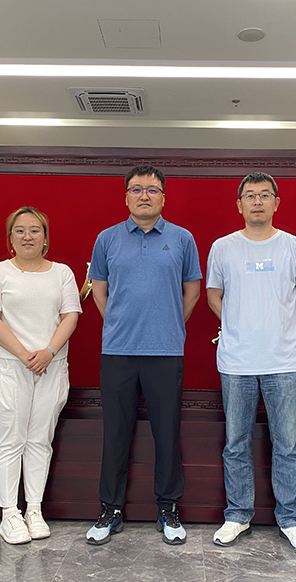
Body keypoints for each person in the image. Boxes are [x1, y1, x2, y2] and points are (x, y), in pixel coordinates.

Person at [85, 164, 202, 546]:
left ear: (163, 197)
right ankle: (110, 509)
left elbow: (192, 291)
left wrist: (169, 323)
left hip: (165, 351)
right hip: (117, 351)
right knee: (115, 433)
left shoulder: (182, 238)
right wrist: (119, 323)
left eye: (152, 190)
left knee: (167, 432)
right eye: (136, 189)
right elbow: (99, 290)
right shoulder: (106, 239)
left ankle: (168, 507)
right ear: (126, 197)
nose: (144, 196)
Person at [206, 172, 296, 553]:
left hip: (284, 360)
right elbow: (214, 296)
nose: (257, 201)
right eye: (250, 196)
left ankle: (291, 519)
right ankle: (238, 514)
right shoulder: (223, 247)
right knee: (236, 444)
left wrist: (277, 326)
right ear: (239, 204)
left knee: (288, 446)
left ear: (276, 203)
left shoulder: (295, 247)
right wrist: (240, 325)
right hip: (236, 361)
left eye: (264, 195)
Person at [0, 207, 81, 545]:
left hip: (51, 365)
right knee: (10, 439)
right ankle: (9, 513)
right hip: (10, 366)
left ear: (45, 238)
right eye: (19, 230)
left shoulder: (62, 273)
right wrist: (24, 355)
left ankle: (33, 509)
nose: (27, 236)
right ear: (10, 238)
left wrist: (48, 352)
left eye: (35, 230)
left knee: (39, 439)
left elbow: (70, 316)